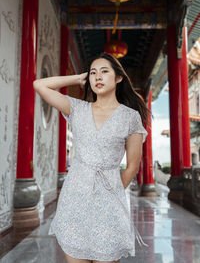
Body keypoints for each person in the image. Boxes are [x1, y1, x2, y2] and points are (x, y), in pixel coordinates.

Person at [33, 52, 151, 263]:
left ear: (118, 78)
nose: (98, 77)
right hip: (74, 200)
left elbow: (132, 166)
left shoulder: (130, 117)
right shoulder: (77, 109)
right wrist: (76, 78)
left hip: (109, 203)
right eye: (93, 73)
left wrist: (111, 193)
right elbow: (39, 85)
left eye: (105, 72)